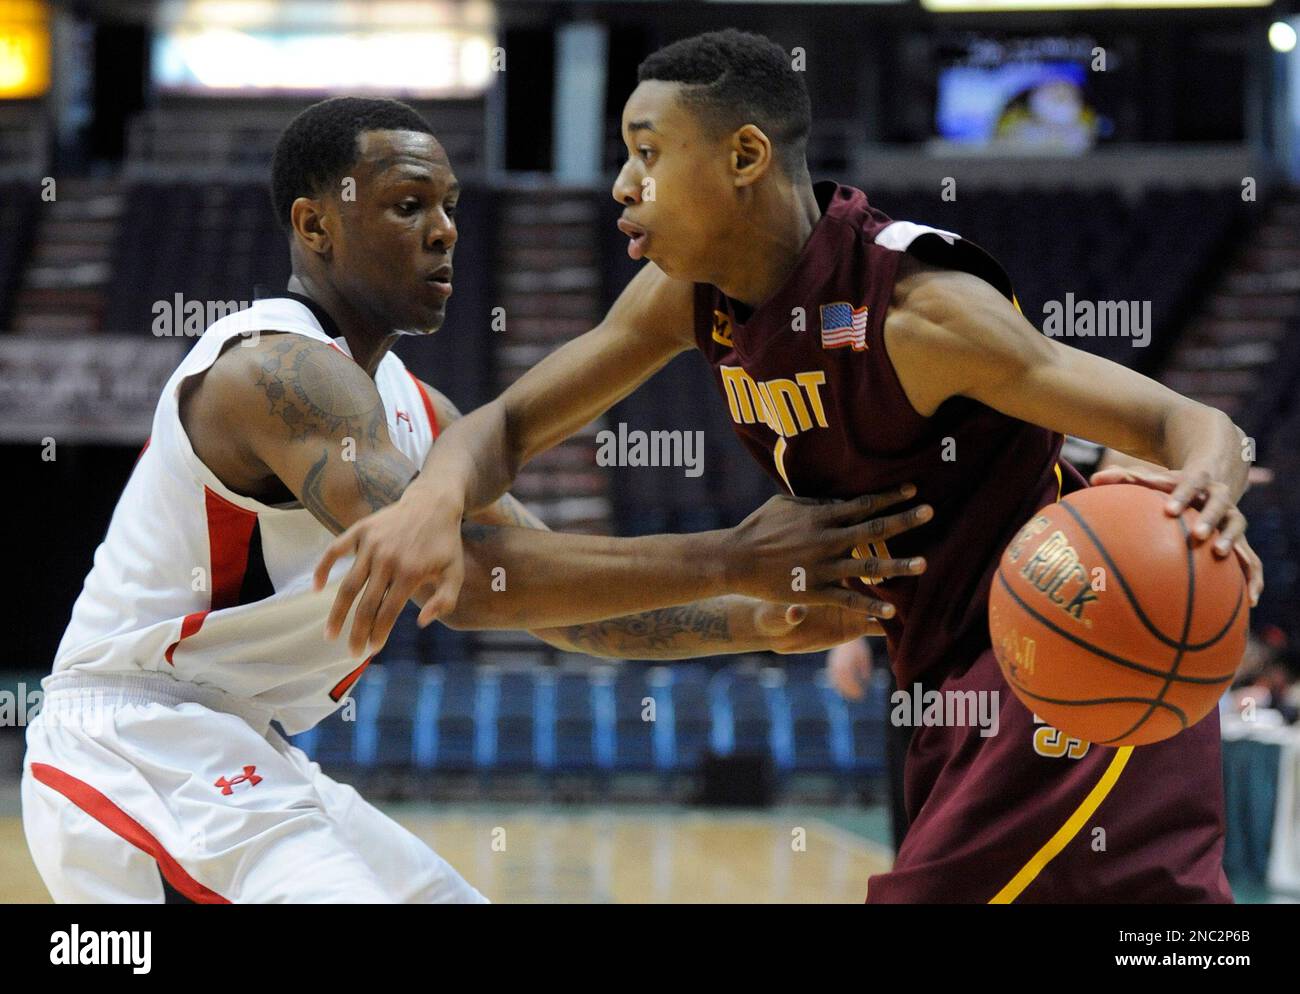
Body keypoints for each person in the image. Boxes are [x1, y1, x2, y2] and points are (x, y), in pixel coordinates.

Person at [320, 32, 1265, 903]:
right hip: (943, 681)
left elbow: (1188, 422)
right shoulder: (687, 300)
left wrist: (1205, 501)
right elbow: (514, 421)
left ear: (743, 158)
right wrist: (434, 500)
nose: (620, 183)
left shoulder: (920, 311)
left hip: (1068, 649)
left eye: (648, 152)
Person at [21, 96, 927, 904]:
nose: (446, 229)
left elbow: (570, 616)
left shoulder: (422, 414)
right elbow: (473, 575)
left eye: (450, 206)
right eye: (408, 206)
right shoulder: (269, 370)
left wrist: (761, 620)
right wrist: (734, 557)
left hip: (247, 750)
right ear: (314, 225)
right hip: (137, 741)